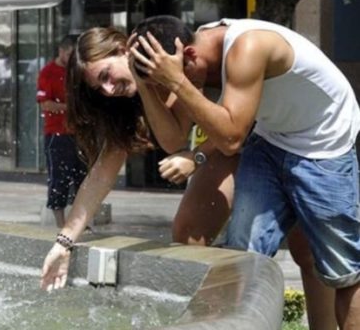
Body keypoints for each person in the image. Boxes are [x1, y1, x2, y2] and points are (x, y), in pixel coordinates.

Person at [39, 25, 338, 330]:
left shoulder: (180, 55)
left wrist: (195, 157)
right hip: (236, 143)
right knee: (189, 231)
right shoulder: (131, 93)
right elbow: (106, 171)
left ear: (122, 50)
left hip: (282, 134)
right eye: (98, 88)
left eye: (105, 76)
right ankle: (212, 323)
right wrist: (63, 243)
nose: (107, 90)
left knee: (307, 248)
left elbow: (234, 130)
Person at [129, 15, 359, 329]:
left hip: (322, 146)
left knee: (343, 271)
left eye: (169, 80)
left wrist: (178, 83)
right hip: (269, 139)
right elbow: (172, 140)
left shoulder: (247, 47)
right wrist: (144, 84)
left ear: (190, 57)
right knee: (243, 258)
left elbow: (232, 138)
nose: (170, 91)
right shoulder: (190, 58)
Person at [36, 36, 88, 228]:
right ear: (61, 51)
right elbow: (45, 105)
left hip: (80, 133)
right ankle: (60, 223)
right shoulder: (48, 73)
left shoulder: (77, 71)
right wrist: (71, 108)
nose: (73, 58)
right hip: (56, 134)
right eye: (70, 54)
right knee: (59, 178)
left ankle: (81, 221)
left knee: (83, 178)